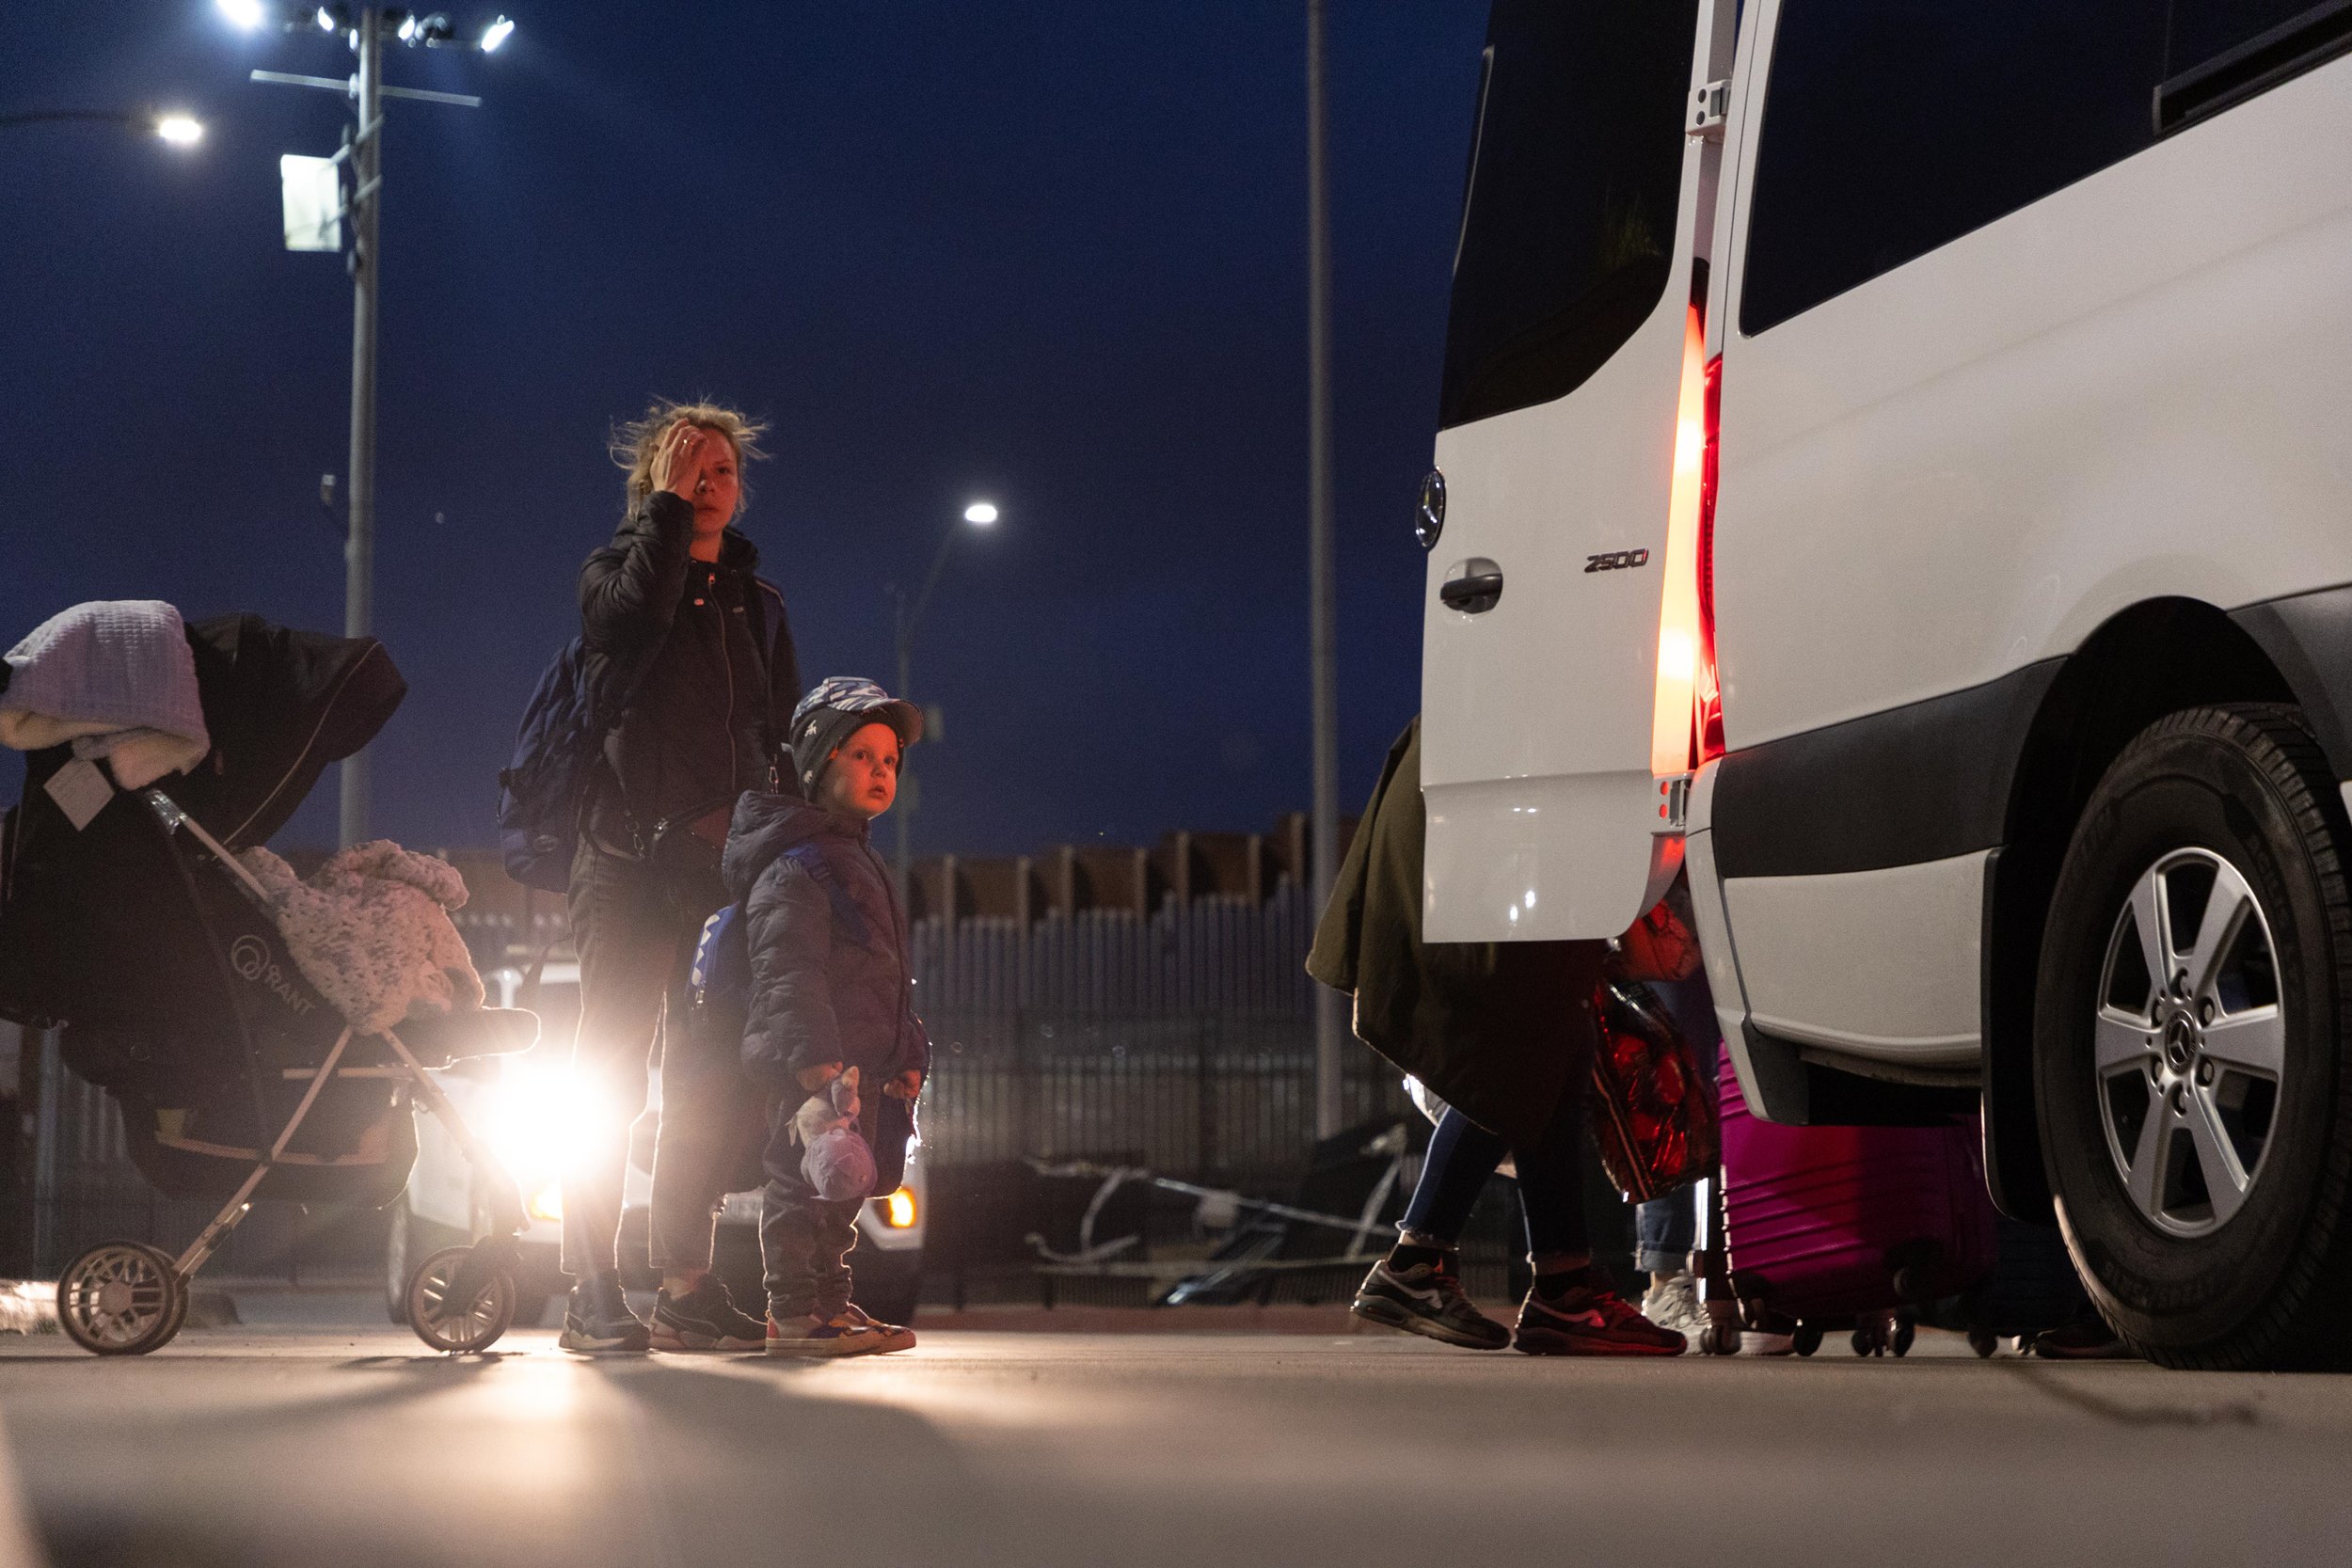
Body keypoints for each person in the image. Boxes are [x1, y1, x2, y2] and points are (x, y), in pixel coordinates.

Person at [1309, 717, 1683, 1355]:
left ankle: (1561, 1286)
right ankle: (1418, 1259)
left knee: (1552, 1038)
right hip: (1488, 815)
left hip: (1482, 806)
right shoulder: (1579, 664)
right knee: (1525, 1039)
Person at [561, 402, 802, 1355]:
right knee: (609, 1073)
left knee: (704, 1077)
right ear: (656, 481)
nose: (711, 481)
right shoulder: (615, 574)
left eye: (724, 469)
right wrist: (661, 520)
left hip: (714, 864)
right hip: (623, 860)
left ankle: (685, 1288)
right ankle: (592, 1287)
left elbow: (776, 731)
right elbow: (633, 620)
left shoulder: (759, 600)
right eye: (690, 467)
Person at [726, 677, 930, 1356]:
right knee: (799, 1184)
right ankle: (792, 1311)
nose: (880, 771)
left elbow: (885, 975)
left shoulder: (859, 860)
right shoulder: (798, 865)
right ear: (819, 763)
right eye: (862, 755)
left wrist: (907, 1051)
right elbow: (788, 969)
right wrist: (814, 1061)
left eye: (890, 762)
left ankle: (832, 1304)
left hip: (860, 1067)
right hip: (815, 1069)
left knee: (840, 1195)